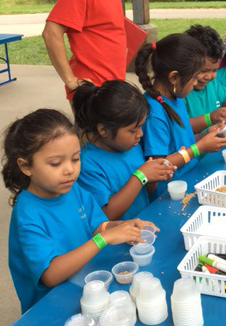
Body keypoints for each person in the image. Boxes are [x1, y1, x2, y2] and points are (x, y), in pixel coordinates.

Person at [2, 109, 144, 314]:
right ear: (26, 167)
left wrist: (121, 227)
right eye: (55, 163)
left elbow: (97, 226)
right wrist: (104, 238)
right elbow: (51, 275)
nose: (69, 170)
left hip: (86, 286)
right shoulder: (28, 214)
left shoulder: (72, 189)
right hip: (52, 307)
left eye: (75, 159)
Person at [72, 80, 176, 221]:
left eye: (141, 127)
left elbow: (145, 194)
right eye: (133, 130)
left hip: (144, 226)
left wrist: (152, 178)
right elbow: (105, 215)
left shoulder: (131, 146)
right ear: (103, 130)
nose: (140, 134)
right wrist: (140, 177)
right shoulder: (87, 164)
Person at [135, 34, 226, 184]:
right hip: (171, 190)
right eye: (194, 77)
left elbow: (180, 142)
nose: (196, 83)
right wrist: (199, 148)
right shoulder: (154, 114)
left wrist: (206, 137)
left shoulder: (175, 98)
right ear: (174, 78)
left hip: (190, 176)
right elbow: (159, 165)